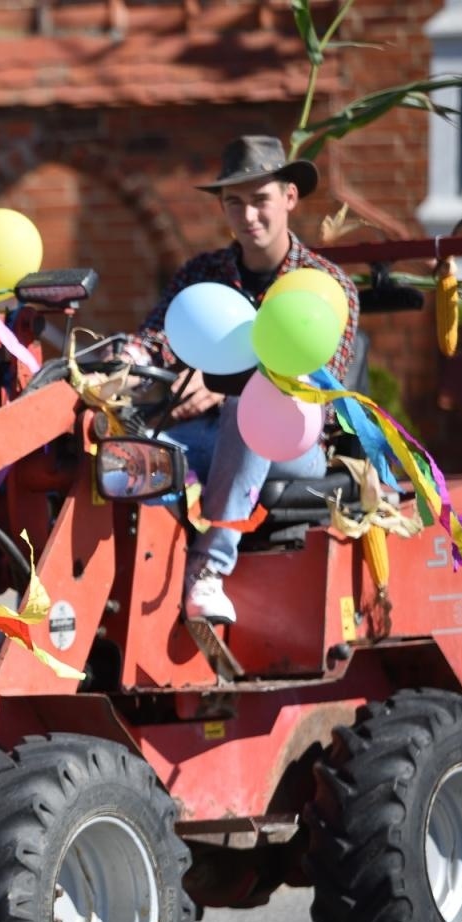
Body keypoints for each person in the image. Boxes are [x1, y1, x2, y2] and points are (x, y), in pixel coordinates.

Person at [121, 135, 360, 625]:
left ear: (289, 198)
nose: (248, 216)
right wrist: (120, 365)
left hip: (298, 448)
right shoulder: (201, 274)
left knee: (252, 408)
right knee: (126, 448)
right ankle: (113, 586)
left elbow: (320, 396)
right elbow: (153, 337)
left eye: (260, 200)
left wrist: (218, 387)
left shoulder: (325, 286)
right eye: (235, 202)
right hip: (208, 439)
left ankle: (208, 569)